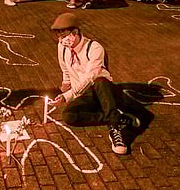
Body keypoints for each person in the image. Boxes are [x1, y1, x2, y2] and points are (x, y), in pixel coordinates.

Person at [50, 13, 140, 155]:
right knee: (69, 116)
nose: (62, 40)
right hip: (84, 94)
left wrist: (68, 95)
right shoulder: (62, 47)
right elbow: (65, 69)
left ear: (75, 32)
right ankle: (117, 116)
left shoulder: (94, 48)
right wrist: (63, 88)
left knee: (99, 81)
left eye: (64, 35)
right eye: (59, 36)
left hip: (104, 91)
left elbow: (90, 77)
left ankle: (115, 128)